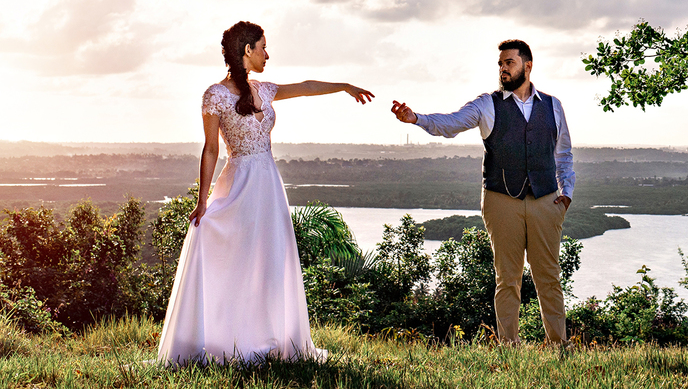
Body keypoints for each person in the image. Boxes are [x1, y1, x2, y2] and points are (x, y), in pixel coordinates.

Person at [157, 21, 374, 365]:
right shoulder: (215, 95)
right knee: (237, 258)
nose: (267, 54)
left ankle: (267, 336)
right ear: (247, 51)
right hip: (238, 183)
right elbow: (211, 150)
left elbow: (304, 87)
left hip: (268, 184)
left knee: (269, 260)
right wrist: (202, 201)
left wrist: (344, 86)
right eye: (263, 47)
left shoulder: (264, 89)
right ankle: (229, 338)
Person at [390, 39, 574, 344]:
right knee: (508, 278)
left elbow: (563, 154)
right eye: (500, 64)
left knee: (549, 278)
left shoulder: (553, 106)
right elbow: (451, 123)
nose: (503, 69)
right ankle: (508, 348)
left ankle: (560, 347)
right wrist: (416, 119)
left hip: (546, 201)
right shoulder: (487, 104)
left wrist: (566, 194)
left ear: (528, 66)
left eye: (509, 63)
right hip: (501, 201)